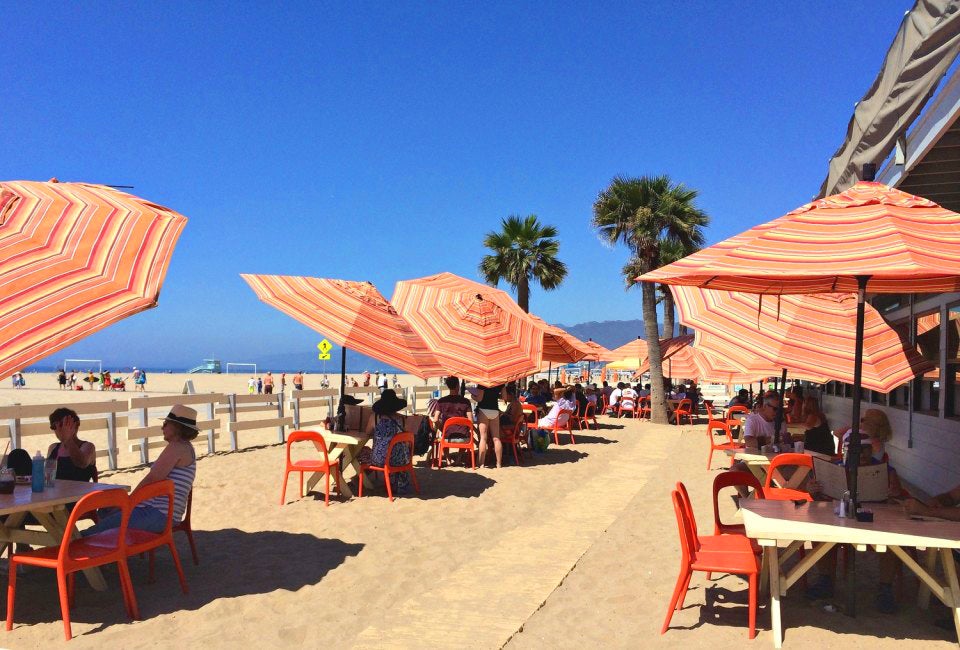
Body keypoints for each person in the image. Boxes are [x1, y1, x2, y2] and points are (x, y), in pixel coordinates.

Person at [84, 405, 198, 535]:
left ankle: (112, 548)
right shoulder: (185, 447)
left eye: (166, 424)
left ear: (177, 427)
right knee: (106, 512)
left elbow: (152, 479)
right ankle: (118, 549)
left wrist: (129, 502)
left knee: (90, 534)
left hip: (158, 514)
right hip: (163, 513)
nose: (162, 427)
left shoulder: (177, 447)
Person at [358, 389, 411, 493]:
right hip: (401, 460)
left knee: (361, 452)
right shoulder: (403, 419)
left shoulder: (376, 418)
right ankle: (394, 481)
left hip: (381, 459)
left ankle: (361, 479)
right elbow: (407, 438)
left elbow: (367, 432)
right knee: (394, 449)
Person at [47, 407, 97, 481]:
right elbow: (48, 478)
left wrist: (67, 439)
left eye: (64, 425)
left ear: (76, 426)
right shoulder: (53, 447)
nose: (60, 429)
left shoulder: (87, 446)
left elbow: (81, 463)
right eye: (55, 426)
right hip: (57, 491)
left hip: (80, 491)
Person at [430, 376, 473, 444]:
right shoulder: (466, 401)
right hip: (464, 438)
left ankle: (447, 455)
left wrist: (443, 429)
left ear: (448, 386)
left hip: (447, 438)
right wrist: (465, 430)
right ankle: (460, 453)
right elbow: (471, 421)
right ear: (458, 386)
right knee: (468, 437)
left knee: (443, 437)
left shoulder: (441, 401)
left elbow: (435, 420)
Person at [476, 384, 505, 468]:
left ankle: (481, 464)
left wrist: (473, 396)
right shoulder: (500, 382)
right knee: (496, 438)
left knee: (483, 438)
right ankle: (499, 464)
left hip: (483, 409)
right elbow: (504, 397)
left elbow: (479, 398)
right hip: (495, 410)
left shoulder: (482, 382)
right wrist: (494, 394)